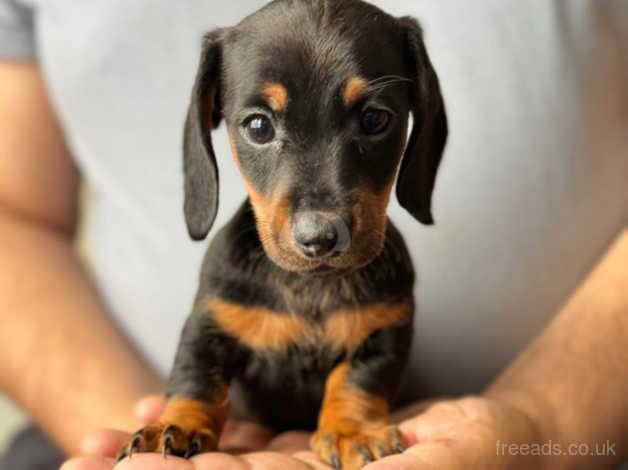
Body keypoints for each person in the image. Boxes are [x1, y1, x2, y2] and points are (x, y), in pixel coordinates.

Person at [0, 0, 626, 469]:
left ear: (417, 122)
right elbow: (12, 214)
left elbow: (379, 345)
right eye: (260, 125)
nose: (317, 223)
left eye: (374, 120)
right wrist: (174, 423)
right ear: (212, 122)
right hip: (106, 421)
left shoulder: (387, 285)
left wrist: (542, 428)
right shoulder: (231, 278)